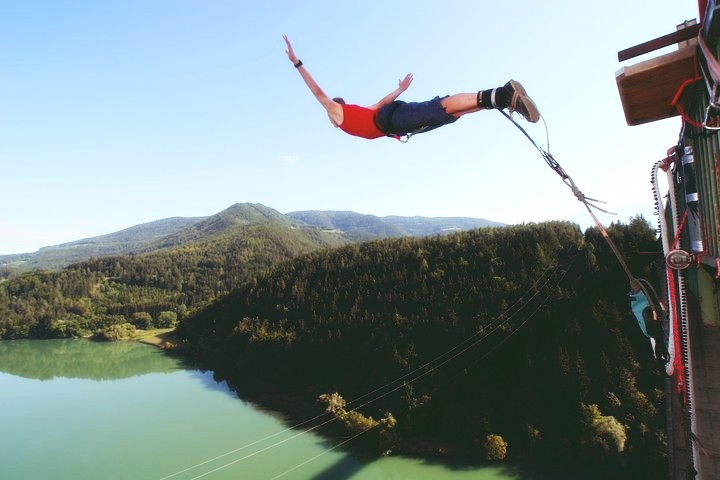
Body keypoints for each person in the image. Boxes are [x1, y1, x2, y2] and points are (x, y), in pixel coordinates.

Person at [283, 35, 540, 141]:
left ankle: (505, 93)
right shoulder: (357, 112)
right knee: (450, 113)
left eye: (328, 112)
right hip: (393, 121)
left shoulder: (338, 113)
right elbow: (380, 103)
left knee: (442, 106)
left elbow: (317, 92)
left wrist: (297, 63)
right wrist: (400, 90)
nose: (328, 117)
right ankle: (500, 100)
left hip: (392, 119)